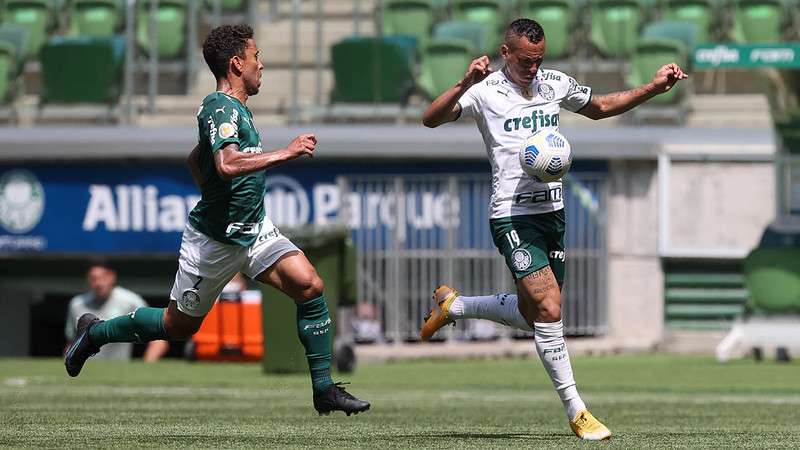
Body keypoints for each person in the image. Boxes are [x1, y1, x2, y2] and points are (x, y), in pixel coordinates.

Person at [64, 24, 370, 416]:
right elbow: (226, 164)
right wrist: (287, 153)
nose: (263, 64)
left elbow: (198, 159)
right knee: (179, 326)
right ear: (237, 63)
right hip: (215, 240)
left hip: (254, 229)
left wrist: (218, 191)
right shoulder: (220, 106)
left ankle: (324, 389)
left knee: (309, 285)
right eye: (257, 57)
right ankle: (96, 332)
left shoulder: (236, 109)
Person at [420, 18, 687, 440]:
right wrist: (462, 81)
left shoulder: (553, 84)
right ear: (506, 53)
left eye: (539, 60)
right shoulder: (484, 91)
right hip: (511, 215)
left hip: (553, 213)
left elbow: (599, 107)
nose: (533, 68)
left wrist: (652, 88)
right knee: (549, 310)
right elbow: (430, 119)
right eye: (526, 61)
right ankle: (578, 411)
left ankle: (454, 307)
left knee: (535, 314)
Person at [65, 260, 169, 362]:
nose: (99, 283)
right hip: (85, 371)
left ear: (112, 276)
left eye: (103, 277)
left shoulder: (130, 301)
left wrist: (145, 366)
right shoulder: (76, 304)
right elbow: (72, 343)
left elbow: (158, 340)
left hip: (120, 369)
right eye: (93, 278)